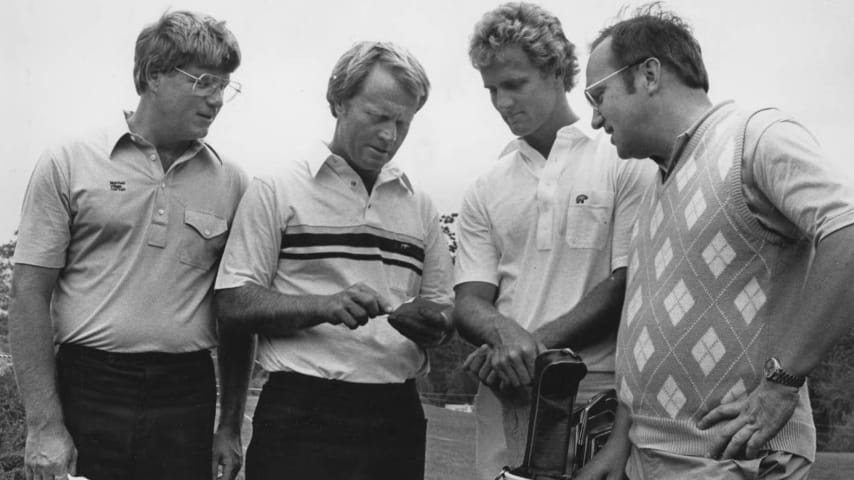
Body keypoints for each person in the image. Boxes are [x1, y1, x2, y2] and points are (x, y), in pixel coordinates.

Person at [575, 4, 854, 480]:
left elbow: (847, 230)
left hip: (733, 460)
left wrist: (783, 381)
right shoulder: (654, 187)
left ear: (648, 74)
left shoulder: (756, 136)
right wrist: (620, 445)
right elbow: (643, 335)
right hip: (650, 459)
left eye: (598, 96)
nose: (596, 120)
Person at [9, 11, 249, 480]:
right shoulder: (70, 161)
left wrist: (230, 426)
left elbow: (237, 317)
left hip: (186, 395)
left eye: (225, 85)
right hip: (88, 386)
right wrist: (44, 426)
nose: (217, 99)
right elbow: (28, 294)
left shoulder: (234, 183)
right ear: (153, 75)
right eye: (203, 81)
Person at [213, 41, 454, 480]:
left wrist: (433, 324)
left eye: (403, 122)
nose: (389, 136)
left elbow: (442, 313)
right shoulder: (278, 188)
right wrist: (322, 306)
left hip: (396, 413)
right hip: (300, 411)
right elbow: (232, 302)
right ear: (337, 101)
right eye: (378, 117)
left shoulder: (420, 207)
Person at [453, 3, 657, 479]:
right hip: (505, 398)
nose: (502, 102)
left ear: (555, 70)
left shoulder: (621, 159)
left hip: (594, 392)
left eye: (515, 84)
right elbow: (470, 301)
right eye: (491, 90)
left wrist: (525, 346)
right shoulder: (486, 186)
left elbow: (623, 283)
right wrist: (505, 339)